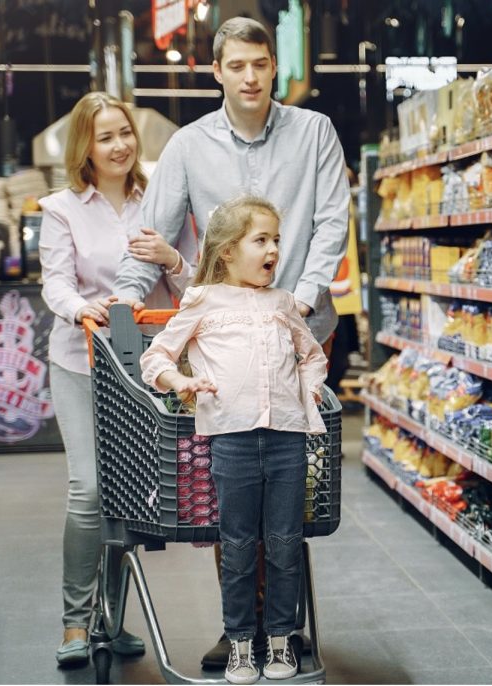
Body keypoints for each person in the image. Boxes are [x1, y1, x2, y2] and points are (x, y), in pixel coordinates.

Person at [112, 15, 349, 669]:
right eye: (236, 65)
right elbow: (153, 235)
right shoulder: (189, 147)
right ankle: (241, 628)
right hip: (220, 340)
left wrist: (298, 297)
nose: (250, 76)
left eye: (260, 63)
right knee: (231, 488)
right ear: (216, 71)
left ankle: (281, 626)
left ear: (275, 67)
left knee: (293, 489)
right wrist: (122, 302)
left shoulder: (315, 132)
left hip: (300, 325)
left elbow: (332, 219)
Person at [140, 195, 327, 685]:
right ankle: (242, 644)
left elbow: (311, 356)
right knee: (240, 546)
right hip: (231, 440)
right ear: (226, 252)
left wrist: (307, 392)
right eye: (260, 240)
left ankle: (282, 637)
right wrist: (180, 383)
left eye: (276, 241)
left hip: (288, 438)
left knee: (285, 545)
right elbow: (156, 357)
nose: (273, 250)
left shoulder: (283, 303)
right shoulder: (203, 301)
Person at [38, 91, 192, 668]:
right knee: (90, 489)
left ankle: (112, 619)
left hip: (143, 369)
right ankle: (75, 622)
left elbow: (195, 284)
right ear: (86, 145)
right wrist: (81, 306)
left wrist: (172, 258)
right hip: (81, 363)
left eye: (125, 132)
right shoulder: (61, 208)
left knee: (126, 495)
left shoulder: (162, 203)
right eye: (105, 136)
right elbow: (54, 283)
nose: (120, 144)